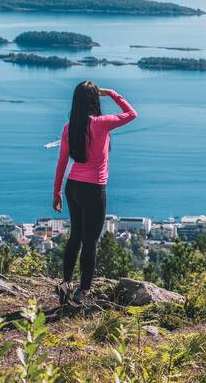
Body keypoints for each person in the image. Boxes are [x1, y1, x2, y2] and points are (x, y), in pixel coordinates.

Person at [53, 81, 137, 304]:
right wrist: (111, 93)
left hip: (73, 186)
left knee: (76, 237)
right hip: (93, 189)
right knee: (90, 243)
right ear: (94, 100)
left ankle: (66, 282)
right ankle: (84, 291)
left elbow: (62, 161)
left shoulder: (69, 127)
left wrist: (57, 192)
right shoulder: (101, 124)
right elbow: (131, 114)